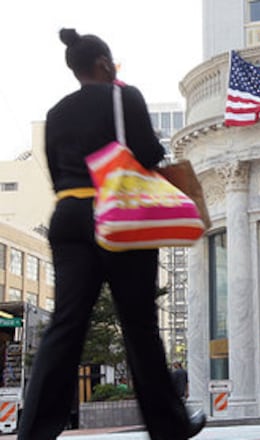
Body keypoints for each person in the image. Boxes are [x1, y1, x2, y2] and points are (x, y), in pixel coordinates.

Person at [17, 29, 206, 440]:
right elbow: (150, 153)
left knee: (66, 325)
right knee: (138, 323)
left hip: (68, 216)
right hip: (119, 214)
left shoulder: (56, 113)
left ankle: (33, 431)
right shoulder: (125, 97)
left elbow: (55, 173)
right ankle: (168, 426)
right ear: (104, 63)